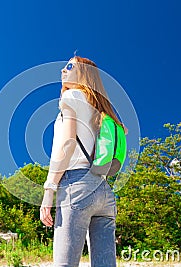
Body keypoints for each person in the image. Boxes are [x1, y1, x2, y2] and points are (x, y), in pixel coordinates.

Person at [40, 56, 125, 267]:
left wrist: (49, 189)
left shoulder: (71, 97)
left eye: (70, 66)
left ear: (85, 74)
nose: (63, 70)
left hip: (77, 186)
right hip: (104, 192)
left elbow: (67, 143)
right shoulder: (103, 111)